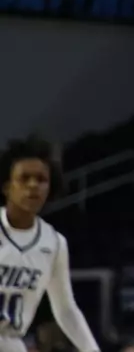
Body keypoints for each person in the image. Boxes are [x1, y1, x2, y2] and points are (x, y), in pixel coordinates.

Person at [0, 138, 99, 352]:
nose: (33, 185)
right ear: (7, 187)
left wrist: (92, 349)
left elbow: (65, 310)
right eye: (24, 178)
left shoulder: (54, 243)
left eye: (41, 179)